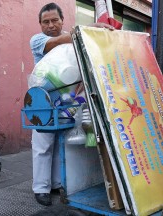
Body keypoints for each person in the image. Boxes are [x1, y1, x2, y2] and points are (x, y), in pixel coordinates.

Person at [30, 3, 114, 206]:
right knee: (43, 145)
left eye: (54, 20)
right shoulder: (38, 40)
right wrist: (88, 29)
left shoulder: (73, 36)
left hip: (68, 100)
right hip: (43, 99)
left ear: (62, 20)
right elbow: (59, 42)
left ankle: (57, 183)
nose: (50, 25)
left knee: (62, 142)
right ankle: (41, 188)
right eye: (45, 22)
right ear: (40, 24)